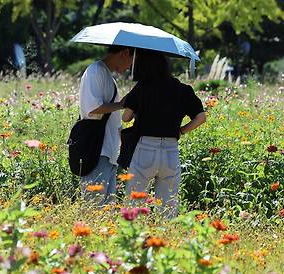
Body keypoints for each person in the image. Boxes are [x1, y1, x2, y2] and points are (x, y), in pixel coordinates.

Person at [122, 49, 207, 217]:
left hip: (145, 148)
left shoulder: (142, 87)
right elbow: (201, 117)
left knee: (134, 205)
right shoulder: (182, 89)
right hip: (171, 150)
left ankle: (135, 240)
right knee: (168, 208)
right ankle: (167, 239)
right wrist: (181, 130)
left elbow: (126, 118)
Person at [78, 45, 134, 206]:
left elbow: (114, 120)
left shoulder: (108, 76)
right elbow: (92, 109)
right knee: (93, 207)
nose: (131, 66)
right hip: (96, 151)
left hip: (109, 153)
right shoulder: (95, 71)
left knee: (106, 211)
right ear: (125, 53)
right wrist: (122, 104)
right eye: (132, 60)